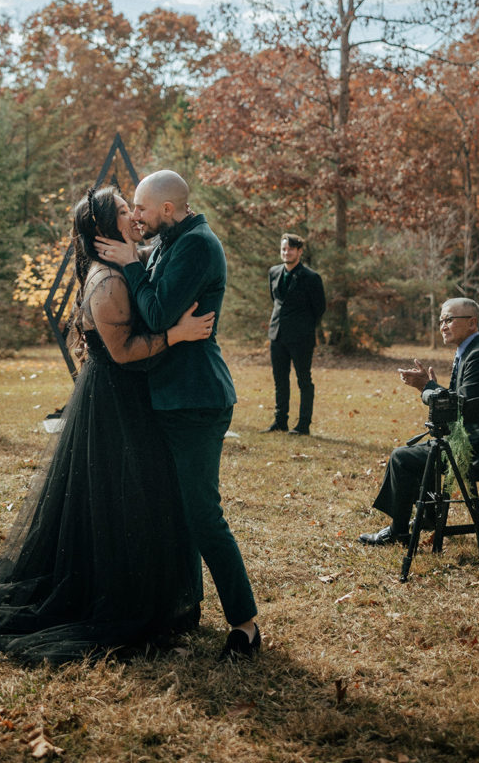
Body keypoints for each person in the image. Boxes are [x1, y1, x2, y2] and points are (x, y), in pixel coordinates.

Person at [0, 186, 213, 664]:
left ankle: (151, 594)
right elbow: (124, 351)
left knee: (140, 495)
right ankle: (115, 598)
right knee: (120, 499)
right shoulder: (108, 283)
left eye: (135, 209)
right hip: (114, 403)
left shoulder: (126, 264)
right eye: (123, 211)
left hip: (132, 398)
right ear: (103, 229)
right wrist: (175, 334)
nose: (134, 217)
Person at [96, 170, 260, 660]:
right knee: (181, 510)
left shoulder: (198, 246)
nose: (137, 217)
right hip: (172, 396)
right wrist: (136, 258)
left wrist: (129, 264)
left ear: (168, 209)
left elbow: (158, 313)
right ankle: (184, 606)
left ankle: (246, 626)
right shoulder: (173, 240)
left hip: (196, 399)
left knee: (204, 515)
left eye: (142, 209)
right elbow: (158, 296)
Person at [359, 297, 479, 546]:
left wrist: (427, 388)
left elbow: (457, 408)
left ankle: (400, 531)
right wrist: (433, 388)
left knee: (401, 457)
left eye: (449, 319)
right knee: (414, 452)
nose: (443, 326)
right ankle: (424, 518)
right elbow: (464, 404)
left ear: (472, 323)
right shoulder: (471, 351)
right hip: (474, 441)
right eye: (440, 321)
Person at [266, 232, 326, 435]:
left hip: (301, 338)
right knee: (280, 380)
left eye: (290, 249)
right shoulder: (273, 272)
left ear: (299, 252)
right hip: (277, 335)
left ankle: (303, 425)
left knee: (304, 380)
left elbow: (319, 308)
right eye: (284, 249)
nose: (286, 252)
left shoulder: (311, 277)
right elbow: (275, 301)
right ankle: (280, 421)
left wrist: (303, 327)